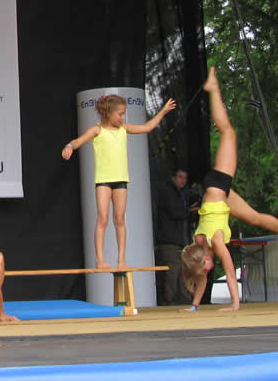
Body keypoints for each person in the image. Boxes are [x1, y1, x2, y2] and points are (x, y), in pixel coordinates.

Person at [181, 67, 278, 312]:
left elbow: (229, 271)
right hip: (221, 196)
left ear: (204, 259)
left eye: (205, 267)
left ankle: (213, 89)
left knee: (228, 132)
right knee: (255, 218)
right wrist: (193, 306)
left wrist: (235, 304)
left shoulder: (214, 241)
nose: (207, 271)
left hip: (218, 185)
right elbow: (201, 276)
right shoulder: (199, 245)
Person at [62, 94, 176, 268]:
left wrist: (163, 111)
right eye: (120, 114)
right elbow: (79, 140)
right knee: (103, 218)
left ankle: (121, 260)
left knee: (120, 219)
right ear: (109, 113)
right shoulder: (97, 130)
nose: (123, 117)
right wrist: (70, 146)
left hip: (121, 180)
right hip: (104, 181)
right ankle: (100, 260)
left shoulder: (124, 128)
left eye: (124, 114)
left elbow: (147, 127)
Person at [155, 169, 192, 305]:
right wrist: (188, 211)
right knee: (174, 269)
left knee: (181, 269)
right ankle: (169, 299)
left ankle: (183, 298)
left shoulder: (179, 194)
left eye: (185, 178)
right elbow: (174, 212)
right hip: (168, 239)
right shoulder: (168, 192)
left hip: (176, 239)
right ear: (173, 178)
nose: (183, 181)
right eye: (180, 177)